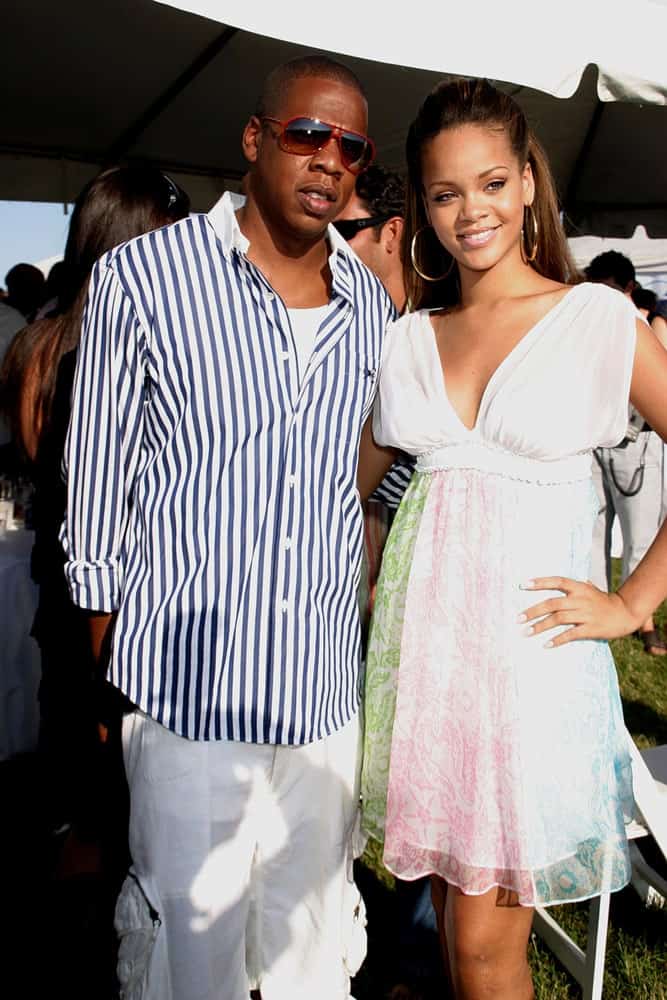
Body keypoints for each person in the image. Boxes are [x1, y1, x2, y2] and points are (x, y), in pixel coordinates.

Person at [61, 55, 397, 1000]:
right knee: (189, 957)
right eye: (306, 134)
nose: (329, 159)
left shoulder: (370, 309)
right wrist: (114, 670)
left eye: (351, 147)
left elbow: (370, 481)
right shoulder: (145, 278)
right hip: (185, 696)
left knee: (305, 955)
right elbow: (96, 485)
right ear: (255, 140)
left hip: (322, 701)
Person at [357, 77, 667, 1000]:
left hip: (530, 672)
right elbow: (343, 492)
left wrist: (631, 601)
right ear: (422, 204)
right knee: (461, 941)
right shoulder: (407, 337)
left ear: (528, 184)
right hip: (428, 673)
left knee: (486, 951)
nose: (470, 212)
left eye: (490, 183)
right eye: (446, 193)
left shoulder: (595, 321)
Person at [0, 165, 191, 995]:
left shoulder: (37, 344)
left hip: (65, 587)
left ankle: (77, 945)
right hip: (116, 606)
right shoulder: (102, 353)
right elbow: (100, 495)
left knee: (88, 791)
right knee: (117, 801)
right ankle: (106, 957)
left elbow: (42, 472)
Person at [335, 168, 442, 1000]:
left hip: (437, 598)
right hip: (383, 589)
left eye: (350, 228)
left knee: (434, 775)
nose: (335, 246)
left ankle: (418, 953)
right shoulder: (380, 328)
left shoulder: (425, 330)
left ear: (393, 231)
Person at [586, 251, 667, 655]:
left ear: (628, 289)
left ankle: (642, 617)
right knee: (595, 531)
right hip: (598, 447)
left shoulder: (637, 325)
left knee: (640, 534)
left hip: (639, 443)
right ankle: (596, 607)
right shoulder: (587, 324)